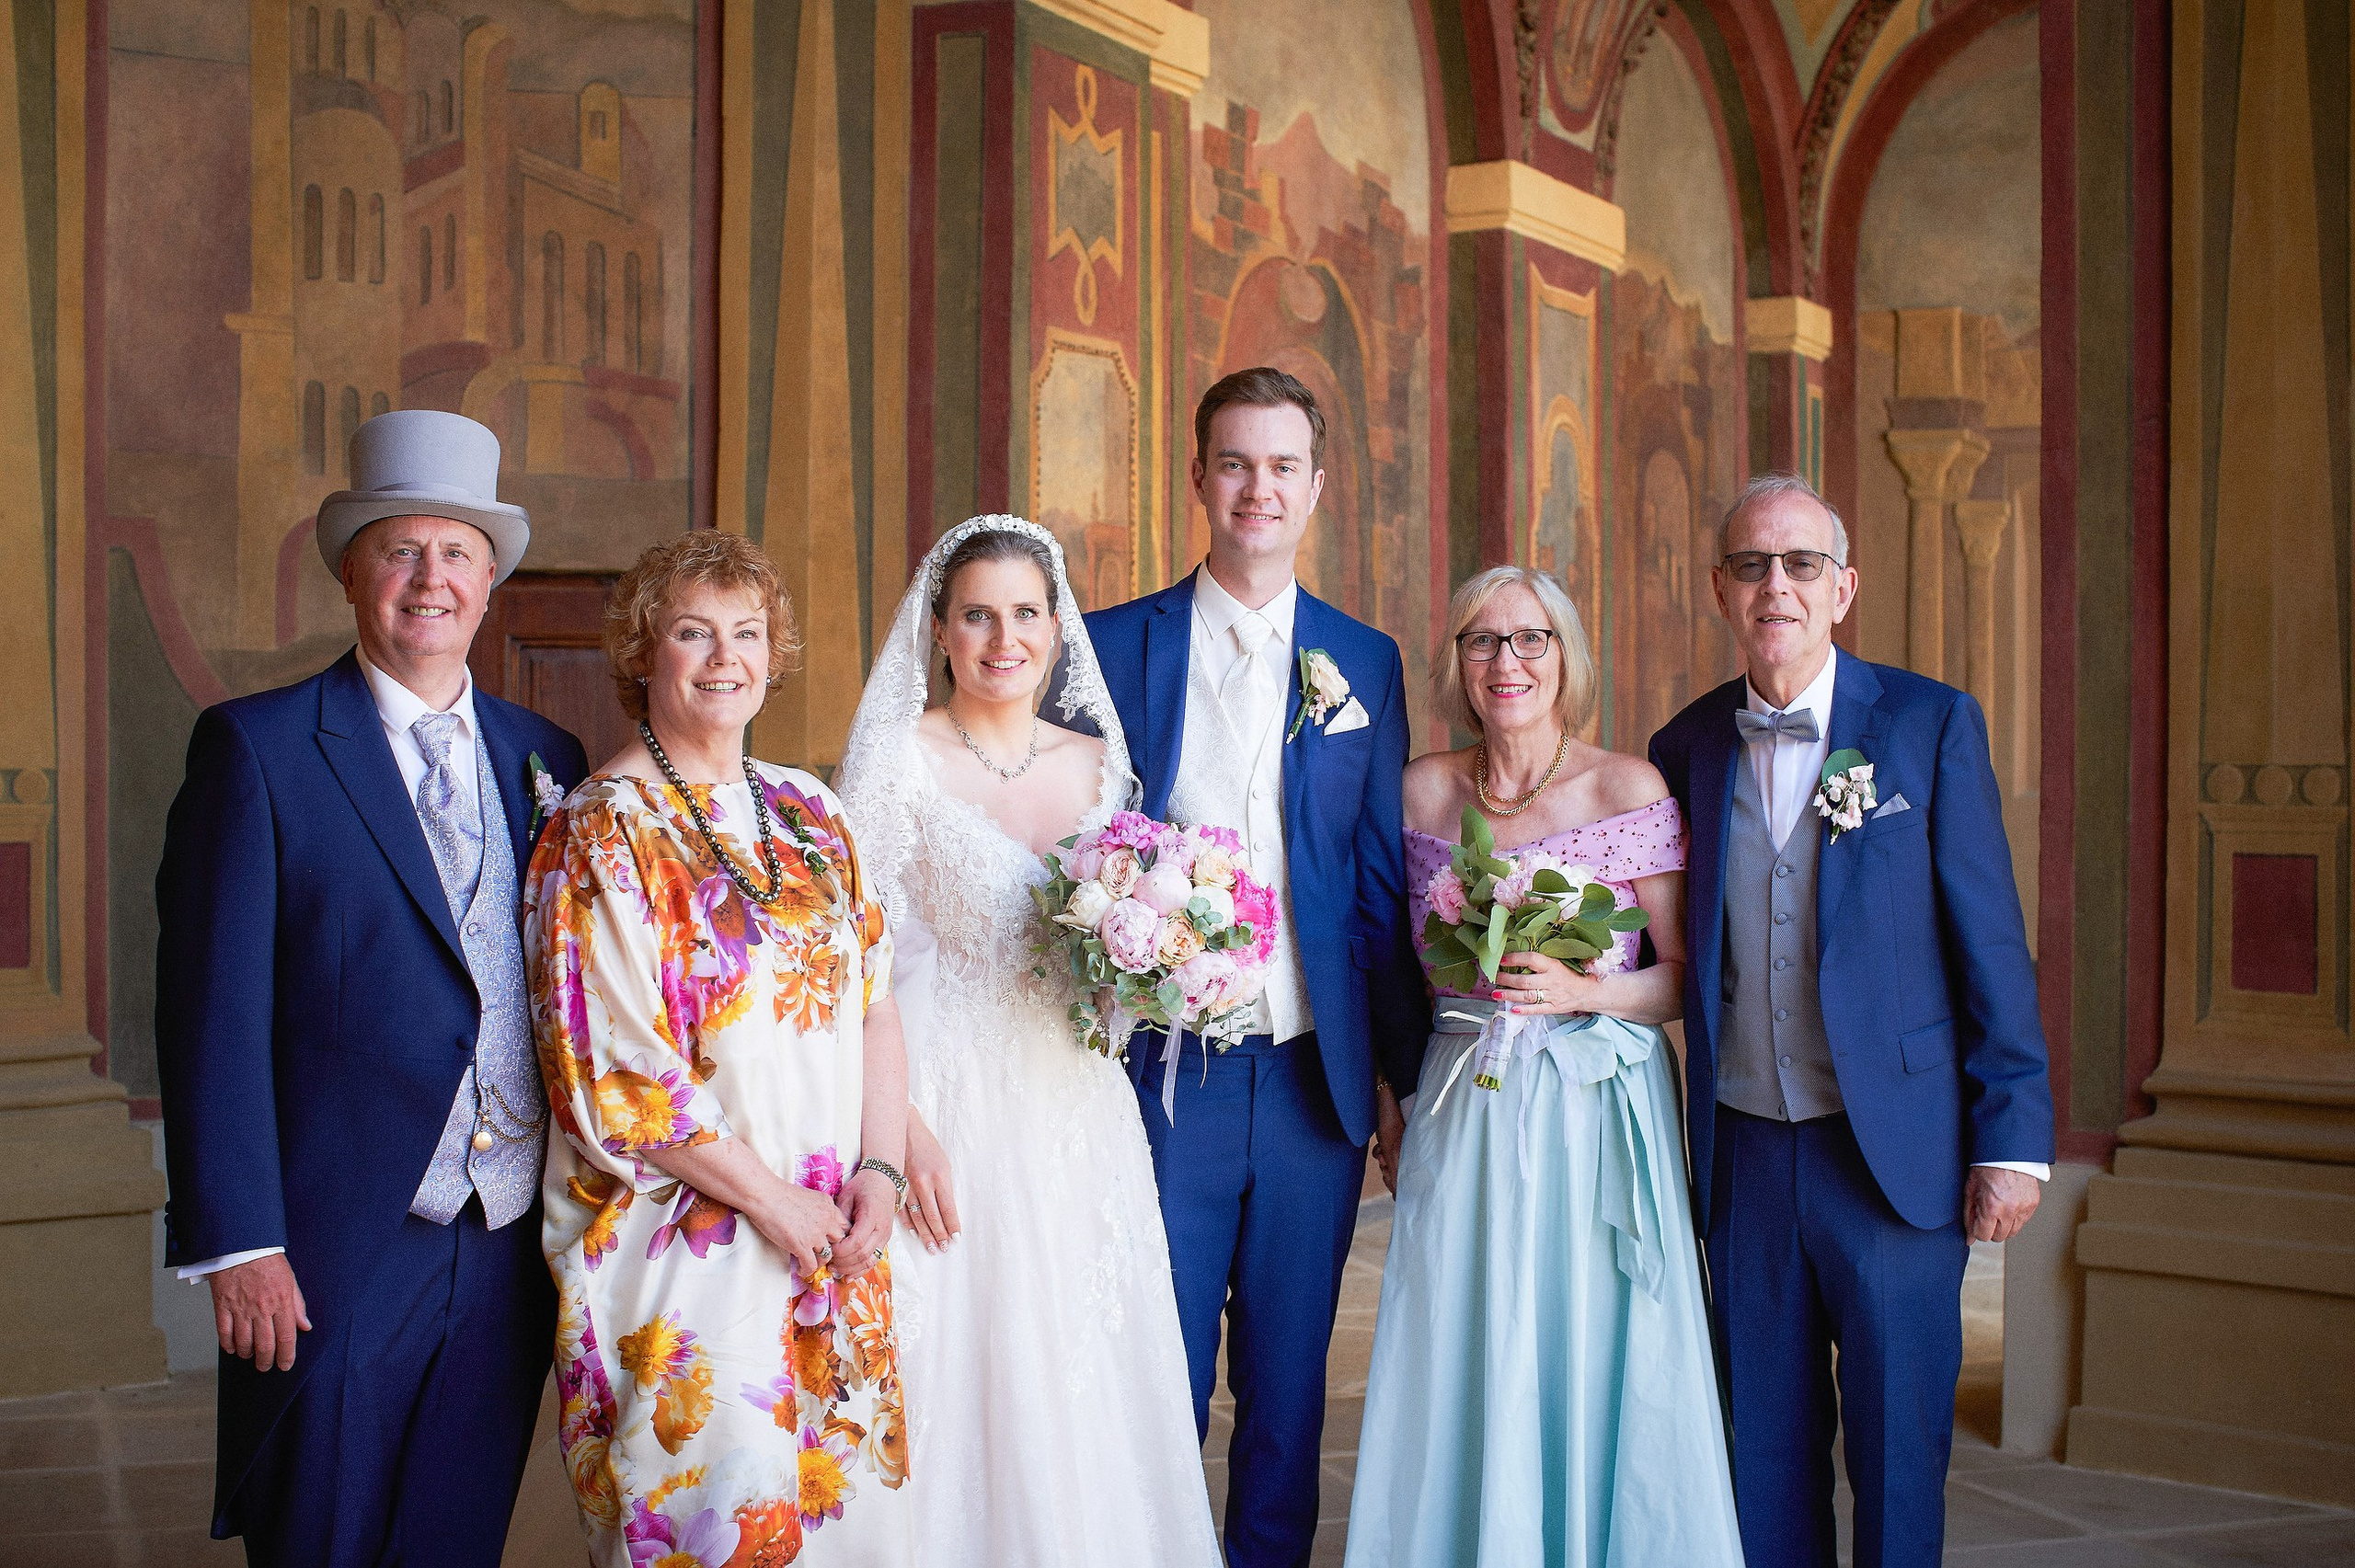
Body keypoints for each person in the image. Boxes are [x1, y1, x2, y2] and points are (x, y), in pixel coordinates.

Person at [154, 409, 589, 1565]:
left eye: (456, 554)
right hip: (338, 1241)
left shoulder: (546, 755)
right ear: (354, 572)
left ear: (490, 582)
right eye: (401, 550)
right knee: (323, 1537)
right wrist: (239, 1240)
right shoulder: (258, 750)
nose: (429, 579)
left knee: (453, 1537)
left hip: (506, 1242)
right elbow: (210, 1017)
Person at [1648, 473, 2053, 1568]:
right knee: (1760, 1454)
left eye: (1799, 564)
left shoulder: (1927, 724)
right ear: (1720, 591)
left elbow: (1990, 943)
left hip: (1895, 1157)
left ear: (1842, 587)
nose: (1773, 585)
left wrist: (2011, 1139)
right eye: (1750, 565)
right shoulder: (1681, 749)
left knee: (1896, 1448)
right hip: (1741, 1155)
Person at [1086, 367, 1430, 1568]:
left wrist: (1394, 1078)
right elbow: (1070, 845)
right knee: (1154, 1391)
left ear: (1317, 487)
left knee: (1286, 1410)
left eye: (1283, 466)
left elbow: (1377, 885)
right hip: (1158, 1078)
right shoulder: (1113, 644)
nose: (1258, 488)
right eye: (1236, 463)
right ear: (1199, 478)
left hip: (1308, 1085)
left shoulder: (1363, 662)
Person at [833, 515, 1223, 1567]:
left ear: (1057, 630)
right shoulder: (895, 759)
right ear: (942, 630)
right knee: (958, 1367)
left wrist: (1167, 966)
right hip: (942, 1108)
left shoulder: (1104, 769)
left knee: (1083, 1370)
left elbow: (1127, 943)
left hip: (1078, 1110)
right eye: (977, 615)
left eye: (1024, 614)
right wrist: (895, 1130)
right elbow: (839, 967)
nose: (1003, 638)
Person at [523, 531, 913, 1566]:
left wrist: (879, 1172)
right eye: (693, 632)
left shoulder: (814, 811)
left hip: (832, 1236)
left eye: (746, 633)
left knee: (831, 1531)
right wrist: (775, 1204)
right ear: (644, 652)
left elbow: (876, 1005)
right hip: (693, 1250)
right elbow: (621, 1082)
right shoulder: (600, 830)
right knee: (712, 1527)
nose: (723, 657)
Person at [1346, 566, 1741, 1566]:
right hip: (1464, 1102)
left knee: (1584, 1334)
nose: (1506, 662)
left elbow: (1689, 980)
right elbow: (1386, 966)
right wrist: (1391, 1098)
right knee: (1464, 1334)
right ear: (1456, 664)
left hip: (1595, 1108)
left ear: (1567, 658)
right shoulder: (1422, 789)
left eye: (1531, 640)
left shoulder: (1625, 787)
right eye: (1482, 641)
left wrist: (1584, 993)